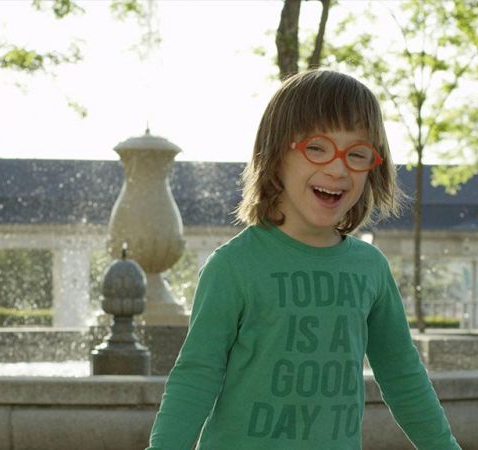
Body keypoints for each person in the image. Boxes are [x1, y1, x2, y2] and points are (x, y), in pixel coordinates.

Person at [147, 69, 460, 450]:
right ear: (277, 153)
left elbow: (403, 375)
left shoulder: (370, 269)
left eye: (357, 154)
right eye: (317, 148)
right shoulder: (233, 267)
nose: (338, 168)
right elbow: (196, 376)